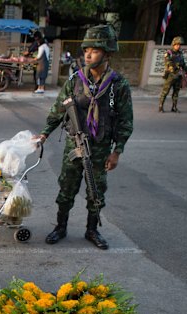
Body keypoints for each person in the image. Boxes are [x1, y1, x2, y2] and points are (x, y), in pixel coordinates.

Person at [37, 25, 133, 250]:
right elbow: (58, 110)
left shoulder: (118, 85)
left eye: (95, 50)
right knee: (67, 188)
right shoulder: (75, 80)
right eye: (86, 49)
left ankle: (92, 229)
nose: (88, 54)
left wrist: (117, 151)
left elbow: (125, 121)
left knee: (96, 190)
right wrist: (44, 133)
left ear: (107, 53)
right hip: (74, 144)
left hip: (99, 148)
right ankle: (60, 227)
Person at [159, 36, 187, 113]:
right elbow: (168, 63)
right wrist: (175, 65)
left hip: (178, 75)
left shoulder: (180, 53)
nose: (178, 46)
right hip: (170, 75)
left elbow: (183, 63)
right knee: (165, 92)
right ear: (173, 44)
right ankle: (161, 106)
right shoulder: (169, 53)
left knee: (176, 92)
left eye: (179, 44)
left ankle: (174, 107)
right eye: (177, 44)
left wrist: (186, 69)